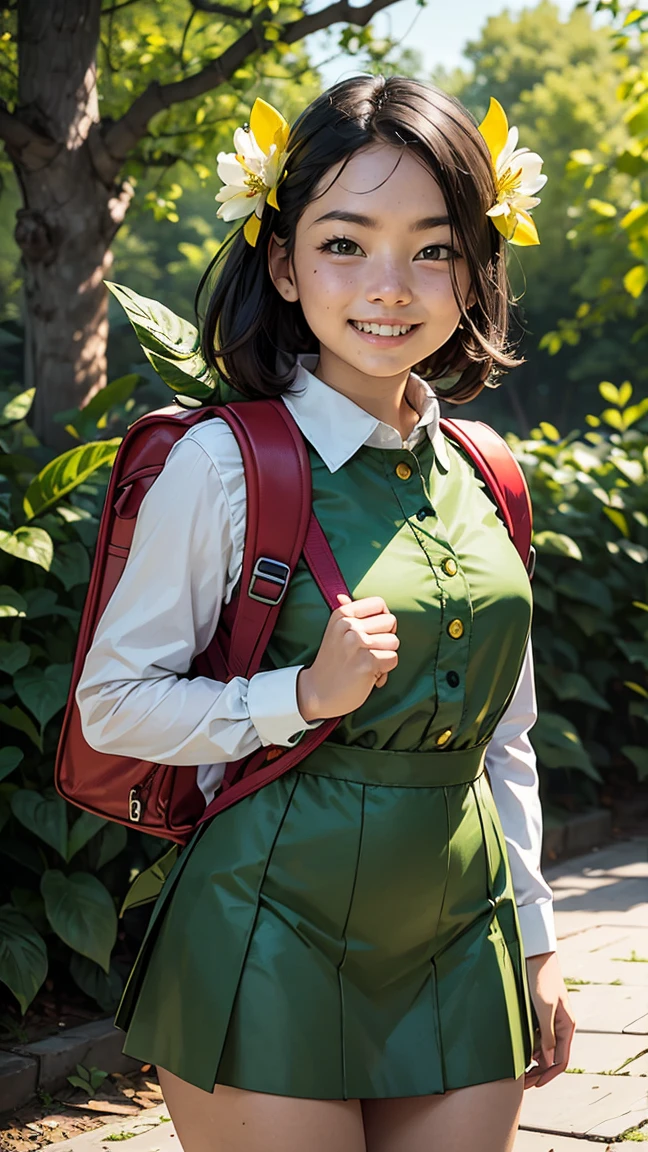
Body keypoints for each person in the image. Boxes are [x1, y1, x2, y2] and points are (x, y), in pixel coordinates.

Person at [76, 75, 576, 1152]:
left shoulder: (489, 471)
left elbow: (508, 738)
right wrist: (296, 696)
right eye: (345, 243)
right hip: (266, 931)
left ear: (474, 267)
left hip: (461, 931)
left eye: (433, 248)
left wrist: (534, 940)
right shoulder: (222, 464)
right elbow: (112, 705)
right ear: (283, 261)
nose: (390, 286)